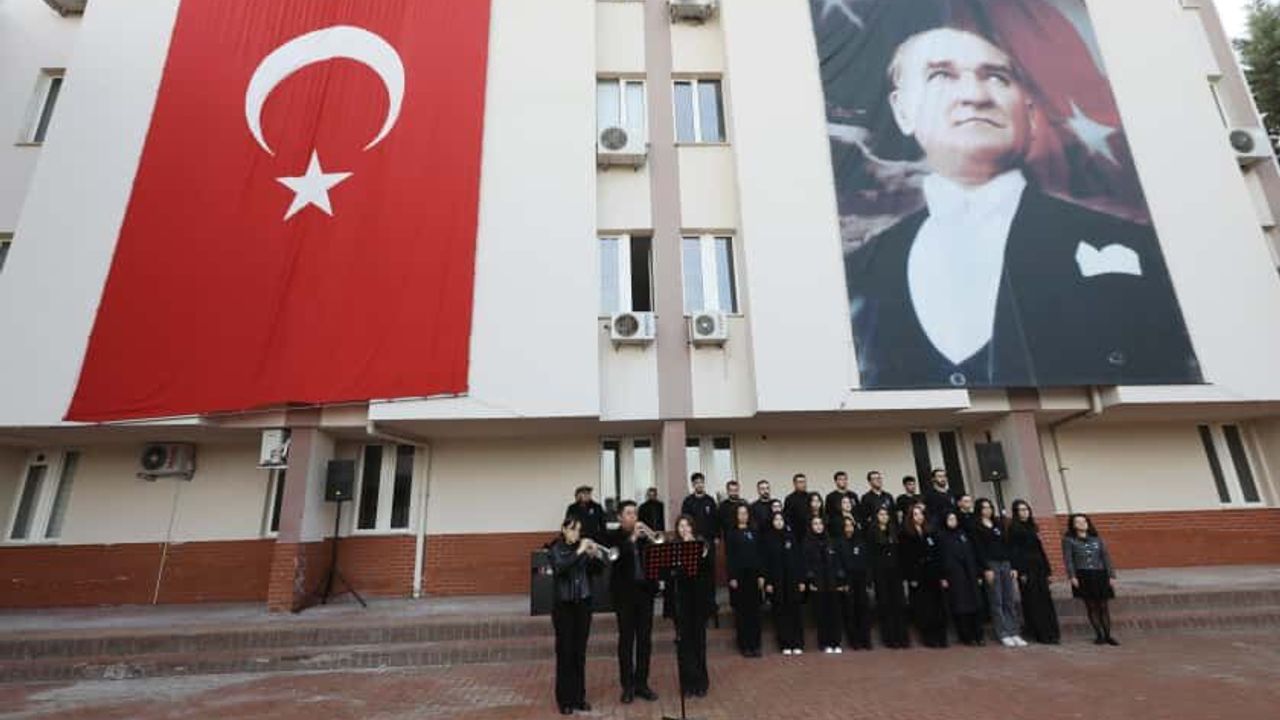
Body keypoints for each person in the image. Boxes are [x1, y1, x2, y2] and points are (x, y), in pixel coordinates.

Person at [845, 26, 1198, 389]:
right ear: (902, 110)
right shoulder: (861, 272)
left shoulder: (1136, 246)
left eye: (996, 77)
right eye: (940, 76)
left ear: (1029, 114)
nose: (975, 95)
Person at [604, 501, 660, 704]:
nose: (634, 517)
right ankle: (627, 686)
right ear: (620, 517)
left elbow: (657, 554)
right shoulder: (613, 536)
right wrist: (632, 539)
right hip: (624, 596)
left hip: (645, 594)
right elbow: (615, 558)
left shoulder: (644, 537)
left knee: (645, 640)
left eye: (635, 513)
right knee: (626, 640)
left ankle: (642, 684)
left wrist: (651, 538)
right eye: (629, 513)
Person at [549, 516, 604, 715]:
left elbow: (598, 571)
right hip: (564, 607)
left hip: (583, 605)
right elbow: (560, 568)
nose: (575, 533)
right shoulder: (556, 548)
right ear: (564, 529)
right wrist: (580, 551)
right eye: (572, 529)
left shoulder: (582, 549)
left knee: (579, 653)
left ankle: (579, 697)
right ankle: (564, 700)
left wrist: (595, 555)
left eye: (578, 530)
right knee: (565, 652)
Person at [972, 498, 1027, 647]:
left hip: (1005, 563)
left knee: (1009, 598)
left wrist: (1013, 566)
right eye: (984, 507)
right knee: (997, 600)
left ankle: (1014, 632)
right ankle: (1003, 633)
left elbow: (1007, 545)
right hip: (991, 564)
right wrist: (985, 569)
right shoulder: (976, 526)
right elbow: (979, 550)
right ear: (979, 510)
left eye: (990, 507)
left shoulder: (998, 524)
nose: (988, 510)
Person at [668, 515, 711, 696]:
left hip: (698, 599)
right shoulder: (674, 547)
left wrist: (697, 550)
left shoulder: (702, 544)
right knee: (684, 643)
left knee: (699, 642)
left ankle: (701, 682)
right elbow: (671, 575)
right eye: (681, 526)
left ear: (693, 527)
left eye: (687, 525)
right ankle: (687, 684)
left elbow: (707, 570)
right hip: (681, 600)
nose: (684, 529)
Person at [1062, 513, 1119, 646]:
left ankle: (1108, 635)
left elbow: (1105, 557)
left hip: (1100, 574)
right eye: (1078, 522)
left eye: (1084, 521)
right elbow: (1068, 560)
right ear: (1073, 525)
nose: (1082, 524)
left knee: (1103, 606)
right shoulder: (1069, 540)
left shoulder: (1097, 539)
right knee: (1091, 606)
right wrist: (1072, 576)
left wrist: (1111, 575)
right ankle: (1099, 635)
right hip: (1083, 575)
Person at [1009, 499, 1060, 644]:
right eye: (1021, 510)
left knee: (1045, 599)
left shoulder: (1033, 527)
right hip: (1026, 568)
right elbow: (1014, 552)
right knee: (1033, 600)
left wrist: (1048, 571)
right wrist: (1021, 571)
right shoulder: (1014, 529)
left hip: (1039, 567)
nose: (1024, 512)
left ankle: (1052, 632)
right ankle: (1039, 633)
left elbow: (1040, 549)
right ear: (1016, 513)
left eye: (1026, 509)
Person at [900, 503, 948, 648]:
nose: (919, 517)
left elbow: (938, 554)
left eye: (920, 514)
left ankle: (941, 636)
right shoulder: (906, 535)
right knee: (924, 607)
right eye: (915, 514)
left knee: (938, 605)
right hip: (918, 576)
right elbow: (905, 559)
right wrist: (911, 577)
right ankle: (928, 637)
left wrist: (942, 576)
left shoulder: (930, 532)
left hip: (933, 573)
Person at [937, 510, 984, 646]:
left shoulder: (963, 534)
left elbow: (972, 554)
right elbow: (940, 558)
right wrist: (943, 576)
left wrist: (978, 573)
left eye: (954, 519)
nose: (953, 521)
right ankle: (966, 636)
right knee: (960, 607)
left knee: (975, 605)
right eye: (950, 519)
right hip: (954, 575)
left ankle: (978, 635)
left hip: (970, 574)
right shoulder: (942, 536)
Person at [761, 511, 805, 655]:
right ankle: (785, 644)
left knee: (795, 612)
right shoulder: (768, 539)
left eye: (781, 519)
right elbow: (766, 563)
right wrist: (768, 582)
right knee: (781, 613)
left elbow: (799, 560)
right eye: (776, 519)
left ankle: (797, 643)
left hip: (792, 581)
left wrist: (801, 580)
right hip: (777, 582)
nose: (779, 522)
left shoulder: (791, 537)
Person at [725, 504, 764, 657]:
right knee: (742, 613)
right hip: (739, 577)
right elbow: (730, 557)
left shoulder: (754, 532)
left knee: (755, 612)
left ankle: (756, 645)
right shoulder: (731, 533)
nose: (743, 515)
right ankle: (745, 646)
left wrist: (761, 575)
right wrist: (732, 577)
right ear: (736, 516)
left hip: (754, 576)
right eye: (740, 513)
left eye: (745, 513)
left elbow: (760, 554)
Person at [868, 506, 910, 648]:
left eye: (886, 514)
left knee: (899, 604)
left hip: (895, 572)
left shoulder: (893, 530)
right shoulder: (872, 532)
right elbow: (871, 555)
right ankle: (890, 638)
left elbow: (899, 552)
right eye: (881, 514)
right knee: (885, 605)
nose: (884, 516)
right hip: (880, 573)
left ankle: (902, 637)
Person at [803, 515, 845, 653]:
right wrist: (810, 581)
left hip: (832, 583)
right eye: (815, 524)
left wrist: (840, 581)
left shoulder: (831, 541)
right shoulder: (807, 544)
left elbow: (837, 562)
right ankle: (824, 643)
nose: (818, 526)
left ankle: (836, 642)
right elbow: (806, 565)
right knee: (822, 614)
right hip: (818, 584)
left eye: (820, 523)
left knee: (835, 614)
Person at [681, 473, 719, 624]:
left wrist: (716, 536)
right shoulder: (688, 501)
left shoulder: (710, 500)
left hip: (709, 543)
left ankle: (711, 606)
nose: (699, 485)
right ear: (693, 485)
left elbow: (715, 520)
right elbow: (685, 521)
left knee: (710, 574)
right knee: (697, 575)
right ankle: (698, 607)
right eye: (696, 482)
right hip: (693, 543)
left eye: (701, 482)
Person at [835, 514, 872, 650]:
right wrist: (842, 582)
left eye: (851, 526)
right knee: (850, 611)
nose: (849, 528)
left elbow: (867, 562)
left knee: (863, 610)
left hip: (861, 579)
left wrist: (868, 581)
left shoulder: (860, 542)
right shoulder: (839, 543)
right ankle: (854, 641)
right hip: (847, 580)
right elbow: (838, 563)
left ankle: (866, 640)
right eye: (846, 526)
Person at [782, 473, 811, 538]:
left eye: (804, 482)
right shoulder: (789, 499)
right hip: (795, 532)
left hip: (809, 531)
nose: (803, 484)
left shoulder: (810, 497)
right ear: (795, 484)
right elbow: (787, 516)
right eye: (800, 482)